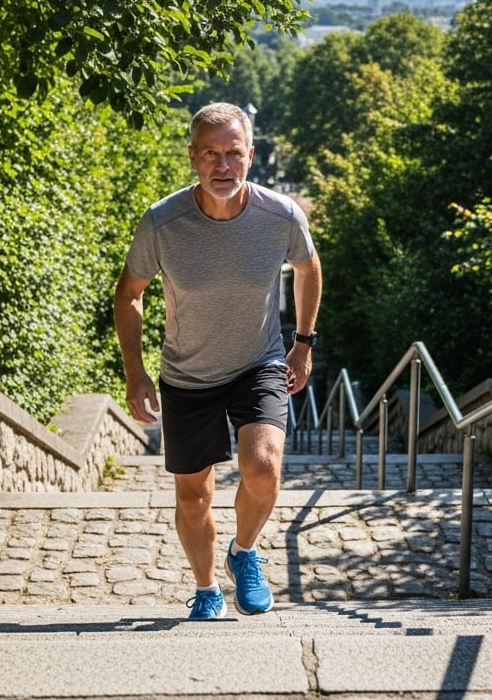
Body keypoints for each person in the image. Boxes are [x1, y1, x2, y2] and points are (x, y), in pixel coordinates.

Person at [114, 102, 323, 620]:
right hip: (187, 373)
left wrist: (303, 342)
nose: (223, 165)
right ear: (192, 158)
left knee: (263, 466)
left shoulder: (280, 216)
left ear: (250, 155)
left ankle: (244, 553)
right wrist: (135, 372)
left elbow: (308, 268)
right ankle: (207, 587)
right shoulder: (163, 222)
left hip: (259, 361)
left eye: (233, 153)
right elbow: (129, 295)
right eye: (211, 154)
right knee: (192, 497)